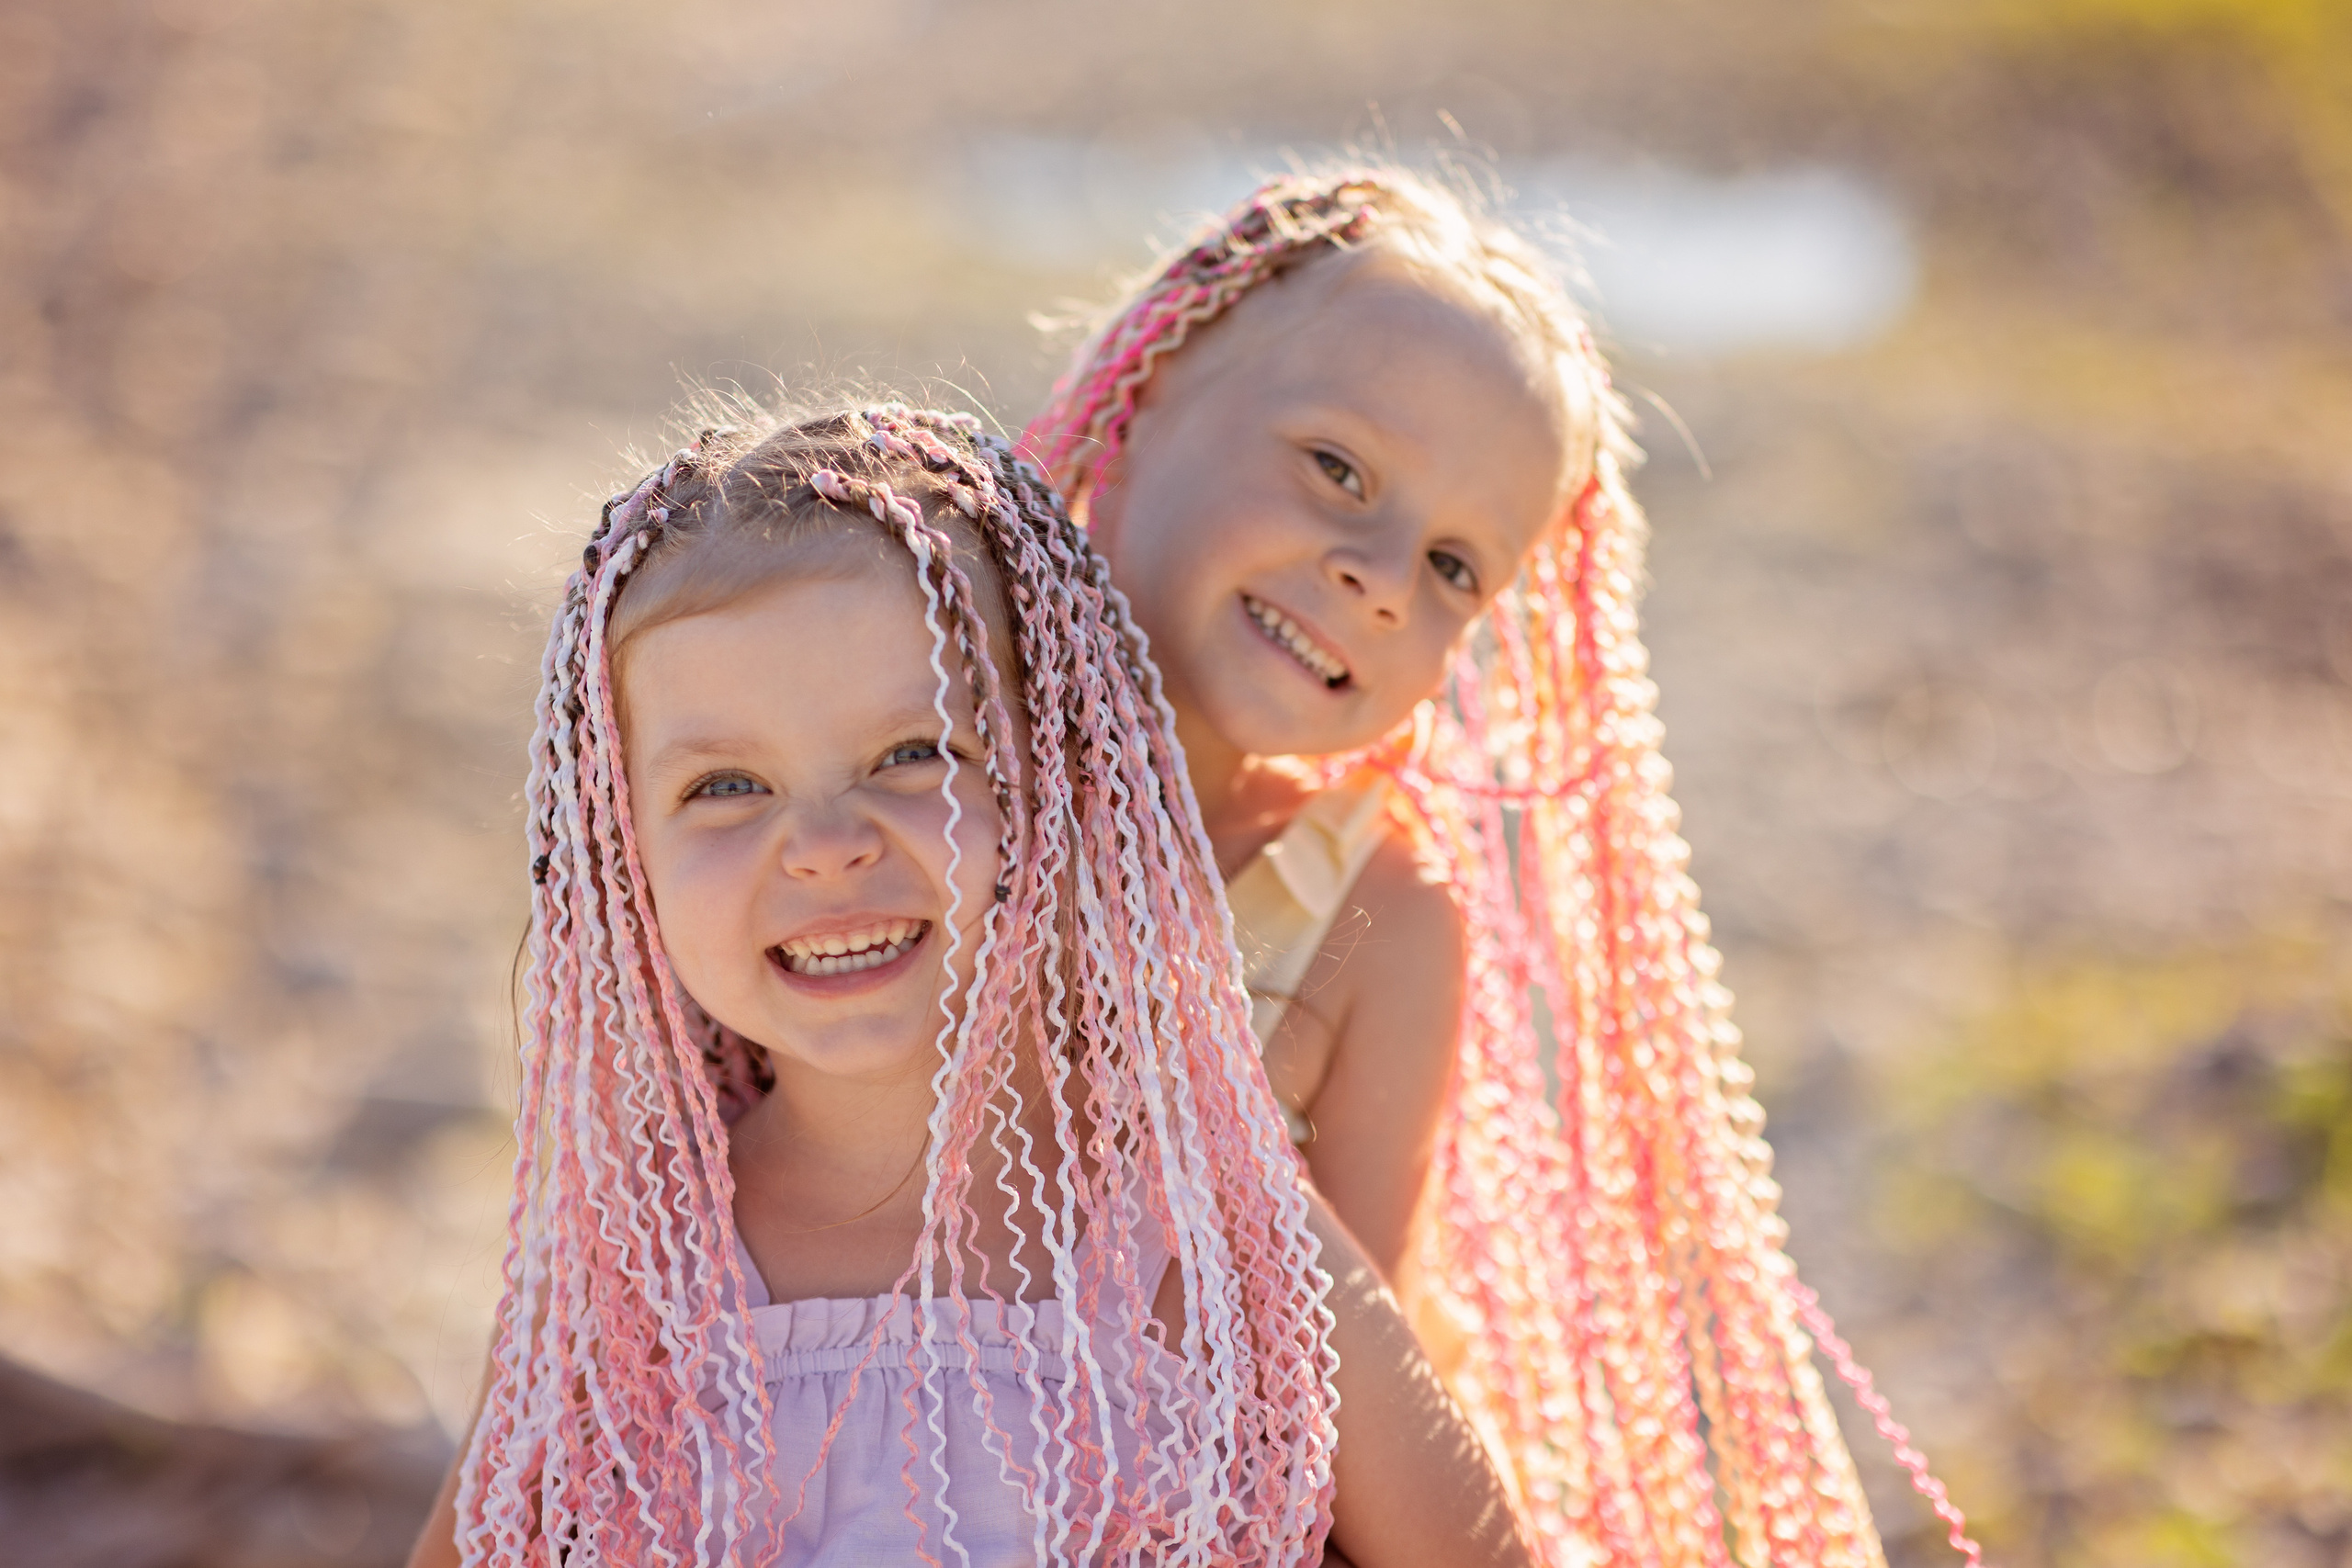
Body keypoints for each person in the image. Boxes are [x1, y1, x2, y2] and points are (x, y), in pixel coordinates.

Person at [1021, 169, 1980, 1568]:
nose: (1381, 575)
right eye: (1338, 469)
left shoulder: (1369, 918)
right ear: (1151, 386)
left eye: (1456, 565)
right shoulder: (907, 750)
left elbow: (1350, 1356)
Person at [405, 402, 1532, 1566]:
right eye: (726, 786)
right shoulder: (637, 1270)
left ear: (1057, 790)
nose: (825, 843)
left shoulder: (1205, 1239)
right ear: (620, 857)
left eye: (912, 757)